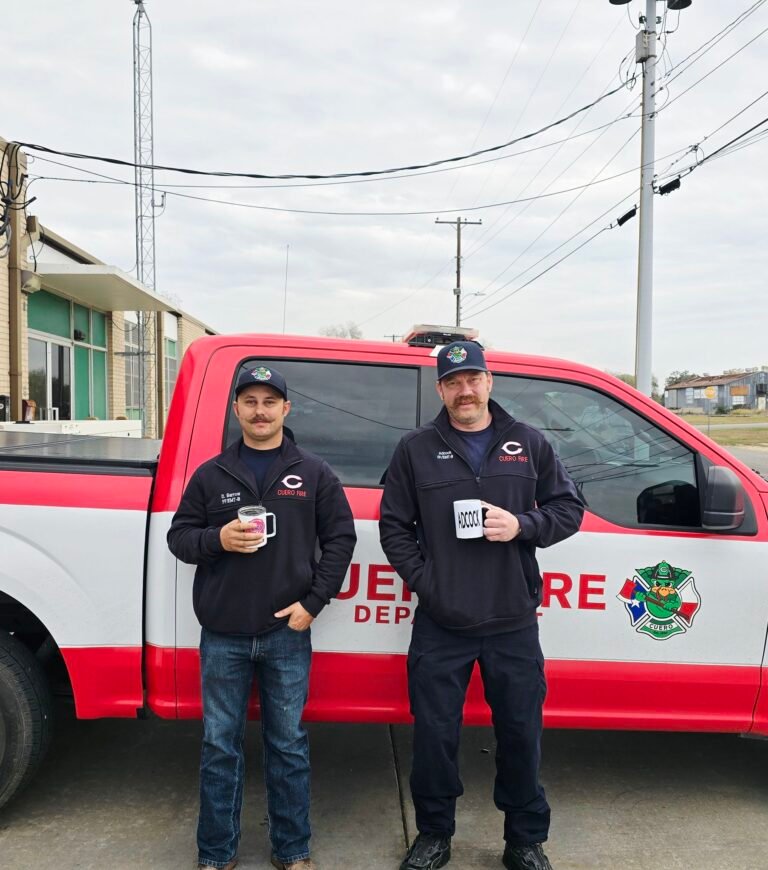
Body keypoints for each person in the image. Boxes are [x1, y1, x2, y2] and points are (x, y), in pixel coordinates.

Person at [379, 341, 583, 870]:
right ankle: (433, 834)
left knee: (520, 733)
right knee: (434, 735)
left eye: (472, 379)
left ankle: (524, 839)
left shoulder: (528, 443)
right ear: (440, 389)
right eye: (452, 382)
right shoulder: (416, 448)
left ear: (489, 382)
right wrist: (429, 582)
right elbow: (394, 527)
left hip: (512, 620)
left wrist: (523, 526)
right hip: (442, 622)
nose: (464, 390)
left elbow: (568, 509)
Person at [168, 365, 356, 870]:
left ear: (285, 409)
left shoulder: (313, 472)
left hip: (286, 633)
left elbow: (341, 539)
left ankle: (293, 853)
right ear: (236, 410)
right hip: (223, 635)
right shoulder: (212, 474)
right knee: (218, 748)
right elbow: (178, 537)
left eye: (269, 401)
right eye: (249, 401)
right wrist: (217, 540)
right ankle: (215, 854)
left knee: (288, 746)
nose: (259, 410)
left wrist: (313, 603)